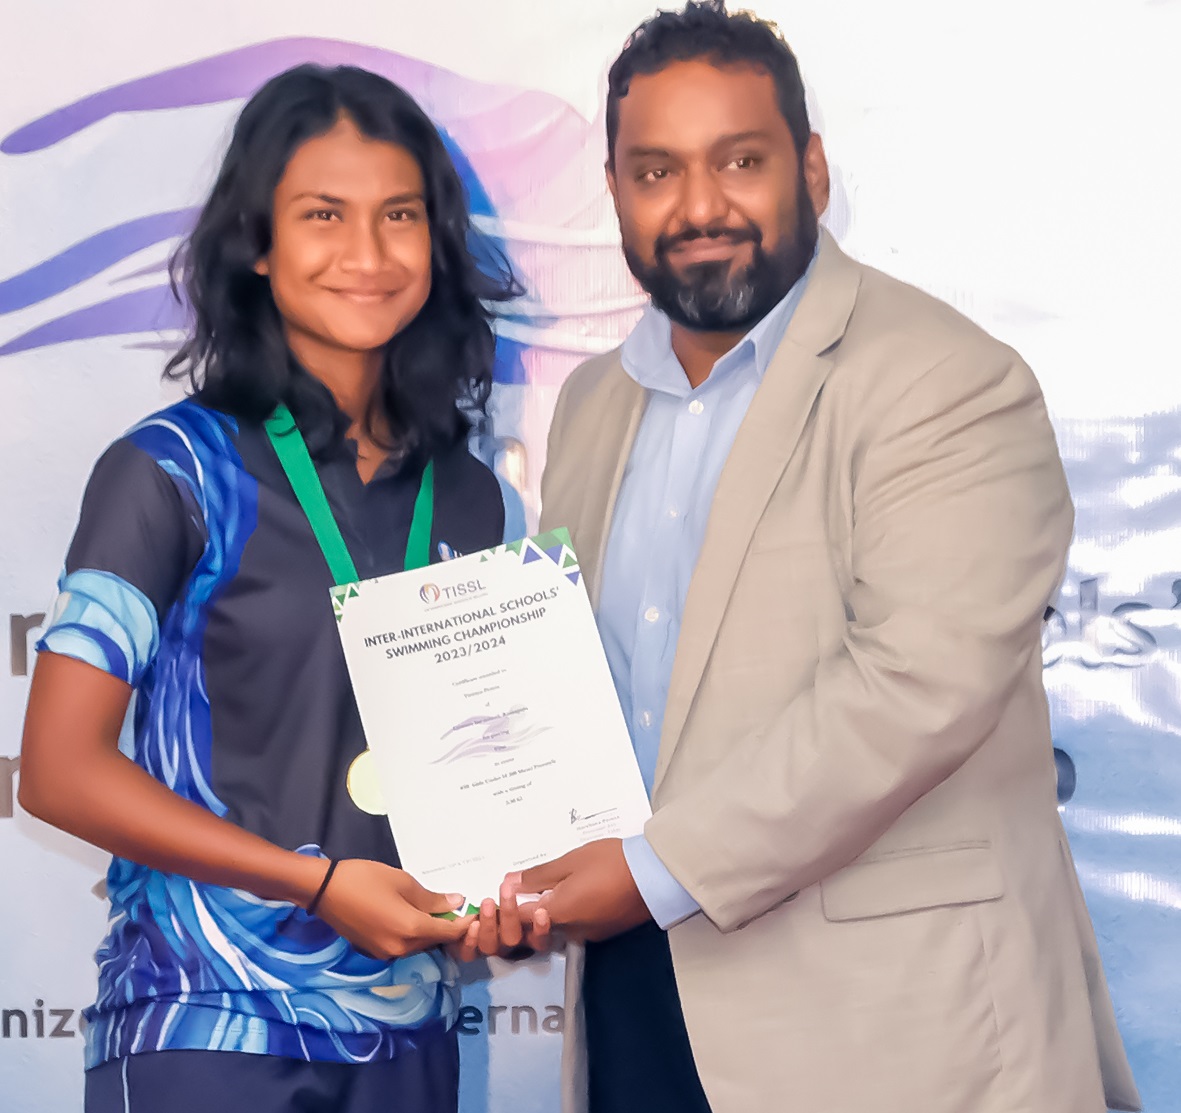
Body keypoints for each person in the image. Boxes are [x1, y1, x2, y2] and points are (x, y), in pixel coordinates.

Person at [517, 4, 1142, 1112]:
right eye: (655, 170)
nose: (698, 205)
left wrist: (647, 876)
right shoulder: (589, 405)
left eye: (739, 161)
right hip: (637, 999)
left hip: (892, 1029)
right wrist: (510, 853)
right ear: (612, 189)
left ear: (808, 168)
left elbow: (913, 685)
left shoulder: (941, 379)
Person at [19, 63, 523, 1113]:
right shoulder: (169, 473)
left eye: (400, 216)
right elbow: (58, 772)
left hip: (410, 1035)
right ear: (258, 242)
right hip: (205, 1022)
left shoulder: (468, 498)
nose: (368, 255)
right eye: (322, 216)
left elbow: (478, 775)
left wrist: (499, 892)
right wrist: (318, 885)